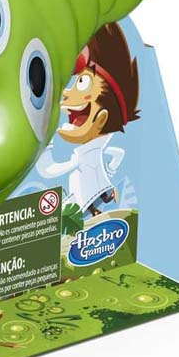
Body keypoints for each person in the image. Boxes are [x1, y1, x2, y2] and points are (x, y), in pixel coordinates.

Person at [37, 23, 139, 220]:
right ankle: (99, 207)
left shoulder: (85, 154)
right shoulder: (93, 149)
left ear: (101, 119)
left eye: (81, 83)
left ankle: (97, 210)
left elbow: (47, 170)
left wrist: (46, 143)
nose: (67, 92)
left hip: (84, 199)